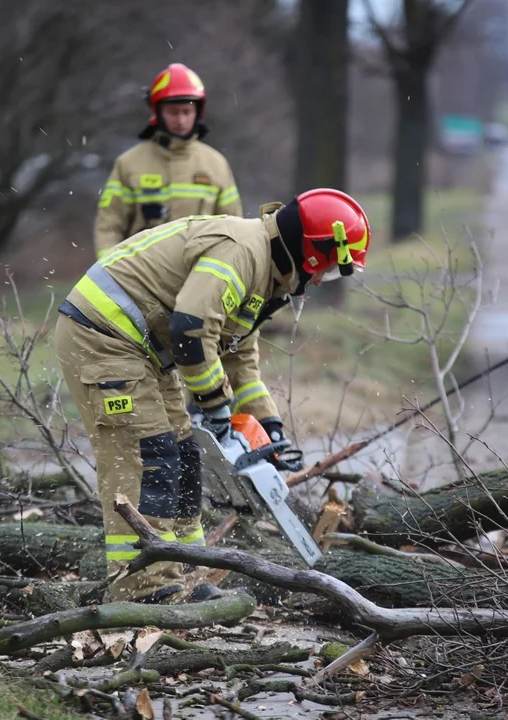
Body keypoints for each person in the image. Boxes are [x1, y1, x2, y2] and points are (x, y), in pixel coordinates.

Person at [55, 188, 371, 604]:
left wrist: (267, 425)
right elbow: (190, 327)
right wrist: (215, 406)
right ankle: (143, 590)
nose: (318, 282)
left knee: (185, 457)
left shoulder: (267, 273)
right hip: (104, 337)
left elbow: (239, 356)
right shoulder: (243, 253)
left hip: (145, 351)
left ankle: (186, 573)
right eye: (327, 271)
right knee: (147, 457)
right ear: (312, 254)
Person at [93, 62, 244, 258]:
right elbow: (109, 227)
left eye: (187, 112)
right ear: (158, 112)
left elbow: (234, 229)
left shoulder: (216, 165)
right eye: (173, 112)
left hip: (199, 278)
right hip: (142, 278)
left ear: (198, 112)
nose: (181, 120)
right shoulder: (128, 164)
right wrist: (111, 273)